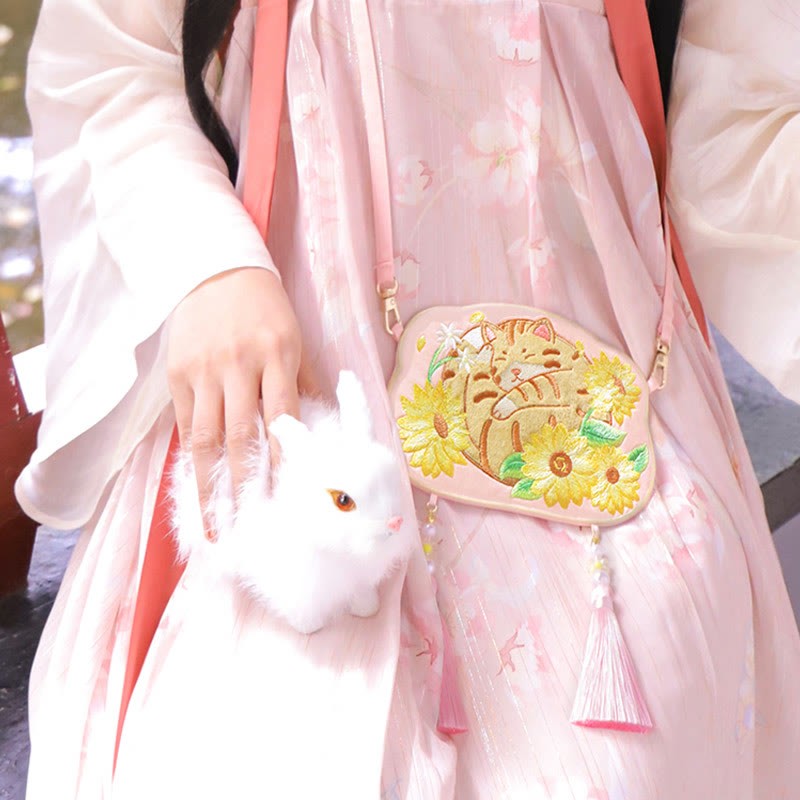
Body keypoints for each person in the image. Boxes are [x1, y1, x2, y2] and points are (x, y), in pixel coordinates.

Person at [19, 0, 800, 796]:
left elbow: (740, 128)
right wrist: (206, 264)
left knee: (643, 731)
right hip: (301, 409)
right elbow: (110, 60)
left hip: (604, 453)